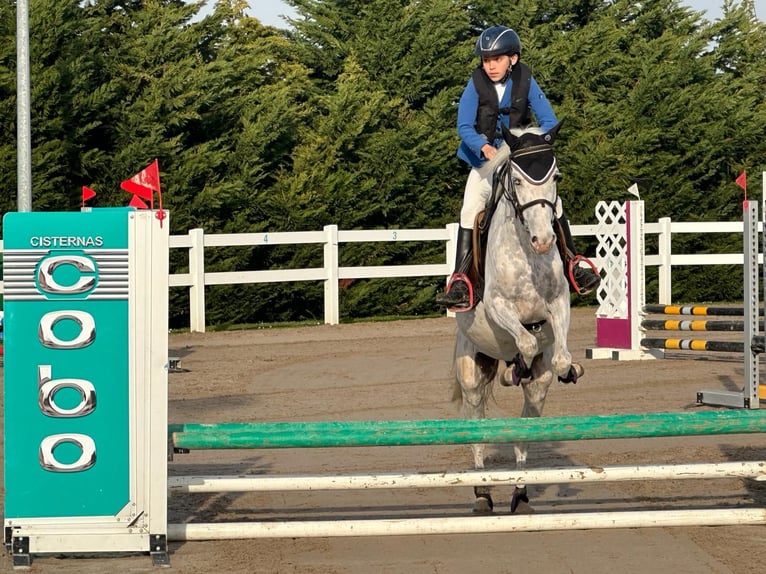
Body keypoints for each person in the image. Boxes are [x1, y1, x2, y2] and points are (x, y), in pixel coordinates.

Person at [436, 25, 601, 310]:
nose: (490, 66)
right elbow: (463, 126)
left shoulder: (526, 80)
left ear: (512, 58)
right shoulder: (475, 83)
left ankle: (574, 264)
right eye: (486, 60)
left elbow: (548, 120)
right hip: (485, 162)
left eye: (496, 59)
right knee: (470, 207)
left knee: (555, 204)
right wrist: (483, 146)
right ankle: (461, 280)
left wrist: (528, 142)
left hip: (518, 160)